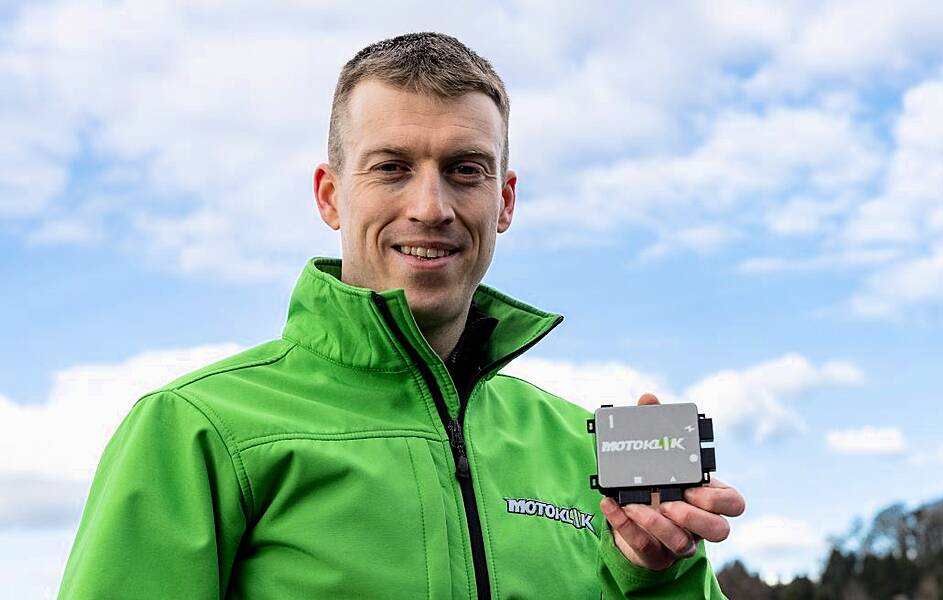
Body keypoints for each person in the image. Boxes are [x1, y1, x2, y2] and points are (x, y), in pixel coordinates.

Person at [58, 32, 745, 599]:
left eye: (465, 169)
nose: (430, 207)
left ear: (504, 201)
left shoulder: (580, 446)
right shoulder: (195, 430)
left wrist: (658, 573)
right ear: (331, 196)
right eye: (391, 168)